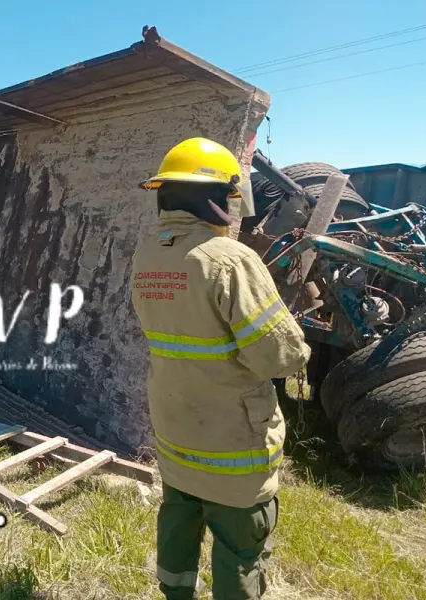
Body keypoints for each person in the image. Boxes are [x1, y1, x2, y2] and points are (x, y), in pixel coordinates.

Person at [130, 137, 311, 599]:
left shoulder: (147, 255)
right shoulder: (230, 260)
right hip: (232, 448)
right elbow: (279, 356)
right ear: (216, 199)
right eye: (232, 197)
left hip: (176, 433)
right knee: (239, 552)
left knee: (178, 534)